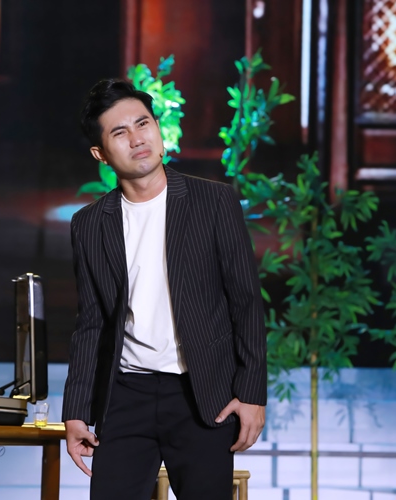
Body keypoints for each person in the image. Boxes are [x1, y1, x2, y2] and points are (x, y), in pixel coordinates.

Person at [62, 79, 267, 500]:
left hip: (202, 394)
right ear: (101, 153)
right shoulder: (89, 224)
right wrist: (77, 411)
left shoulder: (214, 202)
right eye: (120, 132)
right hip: (125, 397)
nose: (137, 139)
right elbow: (91, 324)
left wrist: (251, 394)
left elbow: (246, 303)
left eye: (143, 124)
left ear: (157, 128)